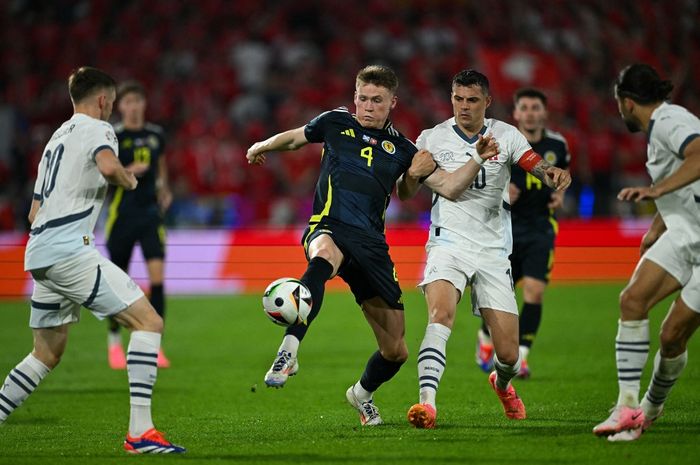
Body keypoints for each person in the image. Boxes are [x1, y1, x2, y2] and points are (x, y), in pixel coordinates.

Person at [246, 65, 497, 426]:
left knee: (395, 350)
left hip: (372, 246)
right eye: (362, 98)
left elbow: (447, 188)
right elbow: (297, 137)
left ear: (392, 102)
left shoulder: (404, 149)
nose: (367, 106)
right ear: (355, 97)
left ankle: (361, 394)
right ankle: (290, 349)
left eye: (376, 100)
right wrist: (262, 145)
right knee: (321, 258)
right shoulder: (335, 122)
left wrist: (474, 159)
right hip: (329, 226)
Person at [0, 67, 184, 454]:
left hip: (40, 251)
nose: (112, 110)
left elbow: (33, 212)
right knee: (148, 321)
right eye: (113, 103)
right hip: (69, 249)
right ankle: (140, 433)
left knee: (47, 353)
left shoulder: (55, 139)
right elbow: (107, 166)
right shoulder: (98, 129)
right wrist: (128, 179)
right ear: (103, 101)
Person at [397, 69, 571, 429]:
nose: (464, 106)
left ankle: (502, 382)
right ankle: (426, 404)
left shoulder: (506, 134)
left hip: (493, 250)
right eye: (458, 98)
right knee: (440, 315)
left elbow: (534, 165)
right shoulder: (432, 137)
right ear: (451, 98)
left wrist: (553, 174)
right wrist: (412, 175)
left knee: (508, 355)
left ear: (487, 102)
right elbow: (418, 191)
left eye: (472, 100)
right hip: (448, 242)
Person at [593, 64, 700, 442]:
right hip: (685, 233)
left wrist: (655, 191)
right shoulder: (659, 130)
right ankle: (626, 408)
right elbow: (680, 190)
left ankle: (651, 408)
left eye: (618, 105)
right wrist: (655, 229)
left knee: (672, 336)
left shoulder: (671, 121)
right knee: (632, 300)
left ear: (626, 102)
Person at [475, 88, 572, 378]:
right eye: (525, 108)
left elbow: (561, 177)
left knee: (534, 292)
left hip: (541, 226)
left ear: (544, 112)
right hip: (504, 228)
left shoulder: (558, 144)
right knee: (502, 294)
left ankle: (523, 357)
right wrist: (502, 192)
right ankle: (485, 339)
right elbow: (485, 180)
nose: (530, 112)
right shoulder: (503, 142)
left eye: (535, 108)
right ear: (516, 114)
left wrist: (560, 195)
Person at [104, 80, 172, 370]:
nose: (132, 107)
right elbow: (104, 175)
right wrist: (128, 171)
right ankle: (114, 343)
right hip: (121, 215)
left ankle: (155, 345)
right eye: (127, 102)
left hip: (149, 216)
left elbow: (161, 170)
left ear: (143, 104)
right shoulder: (113, 136)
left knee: (157, 279)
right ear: (121, 106)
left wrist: (164, 189)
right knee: (118, 283)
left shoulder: (156, 135)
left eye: (137, 101)